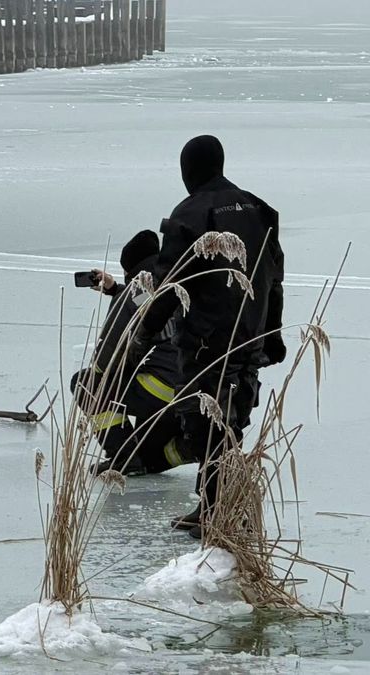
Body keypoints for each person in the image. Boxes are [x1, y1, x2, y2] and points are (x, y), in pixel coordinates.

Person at [132, 135, 286, 539]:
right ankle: (217, 505)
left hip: (205, 341)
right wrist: (272, 334)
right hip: (249, 335)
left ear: (190, 170)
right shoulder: (259, 209)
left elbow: (169, 285)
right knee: (231, 420)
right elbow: (274, 279)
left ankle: (221, 511)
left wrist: (144, 332)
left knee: (206, 423)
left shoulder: (190, 213)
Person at [74, 230, 189, 477]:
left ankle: (122, 455)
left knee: (85, 383)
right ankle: (185, 448)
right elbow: (150, 304)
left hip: (159, 391)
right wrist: (115, 289)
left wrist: (98, 377)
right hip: (190, 392)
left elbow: (107, 356)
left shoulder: (135, 291)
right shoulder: (177, 283)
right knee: (149, 458)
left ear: (130, 269)